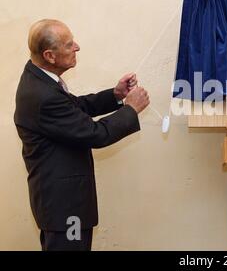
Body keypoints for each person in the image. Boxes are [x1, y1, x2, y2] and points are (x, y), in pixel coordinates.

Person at [14, 19, 150, 251]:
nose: (77, 47)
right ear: (49, 56)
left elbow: (75, 107)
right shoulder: (43, 95)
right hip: (64, 209)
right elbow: (96, 134)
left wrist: (115, 95)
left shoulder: (40, 79)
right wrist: (130, 109)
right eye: (68, 45)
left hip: (60, 205)